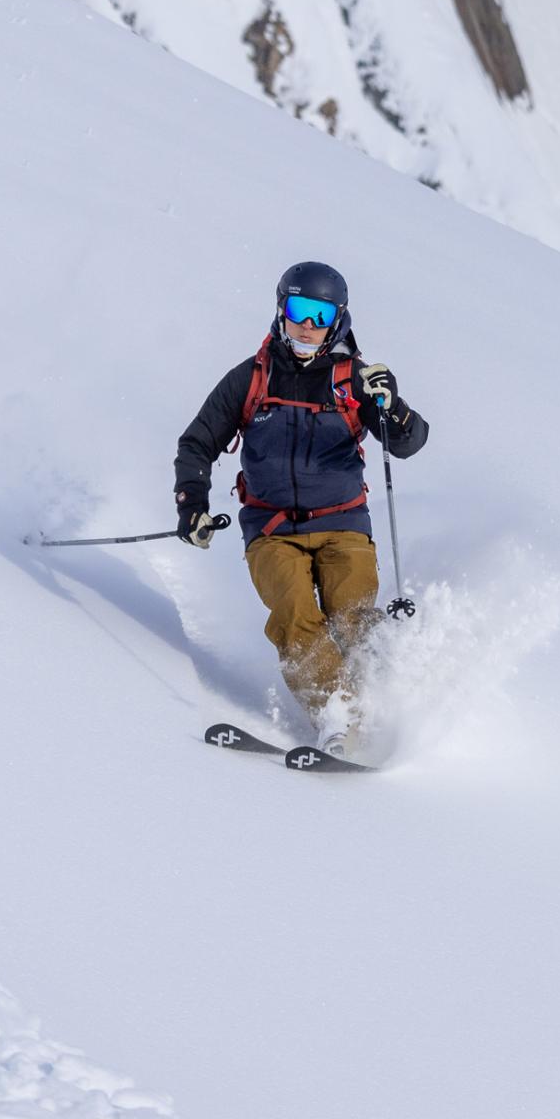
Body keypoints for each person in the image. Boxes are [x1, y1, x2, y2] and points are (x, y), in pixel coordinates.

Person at [174, 259, 428, 755]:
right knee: (294, 613)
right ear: (280, 310)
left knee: (351, 615)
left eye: (321, 314)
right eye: (298, 310)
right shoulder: (252, 378)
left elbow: (408, 443)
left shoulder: (356, 379)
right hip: (271, 530)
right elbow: (197, 443)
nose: (308, 325)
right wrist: (192, 504)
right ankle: (337, 716)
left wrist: (393, 407)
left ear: (339, 319)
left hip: (343, 525)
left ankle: (382, 705)